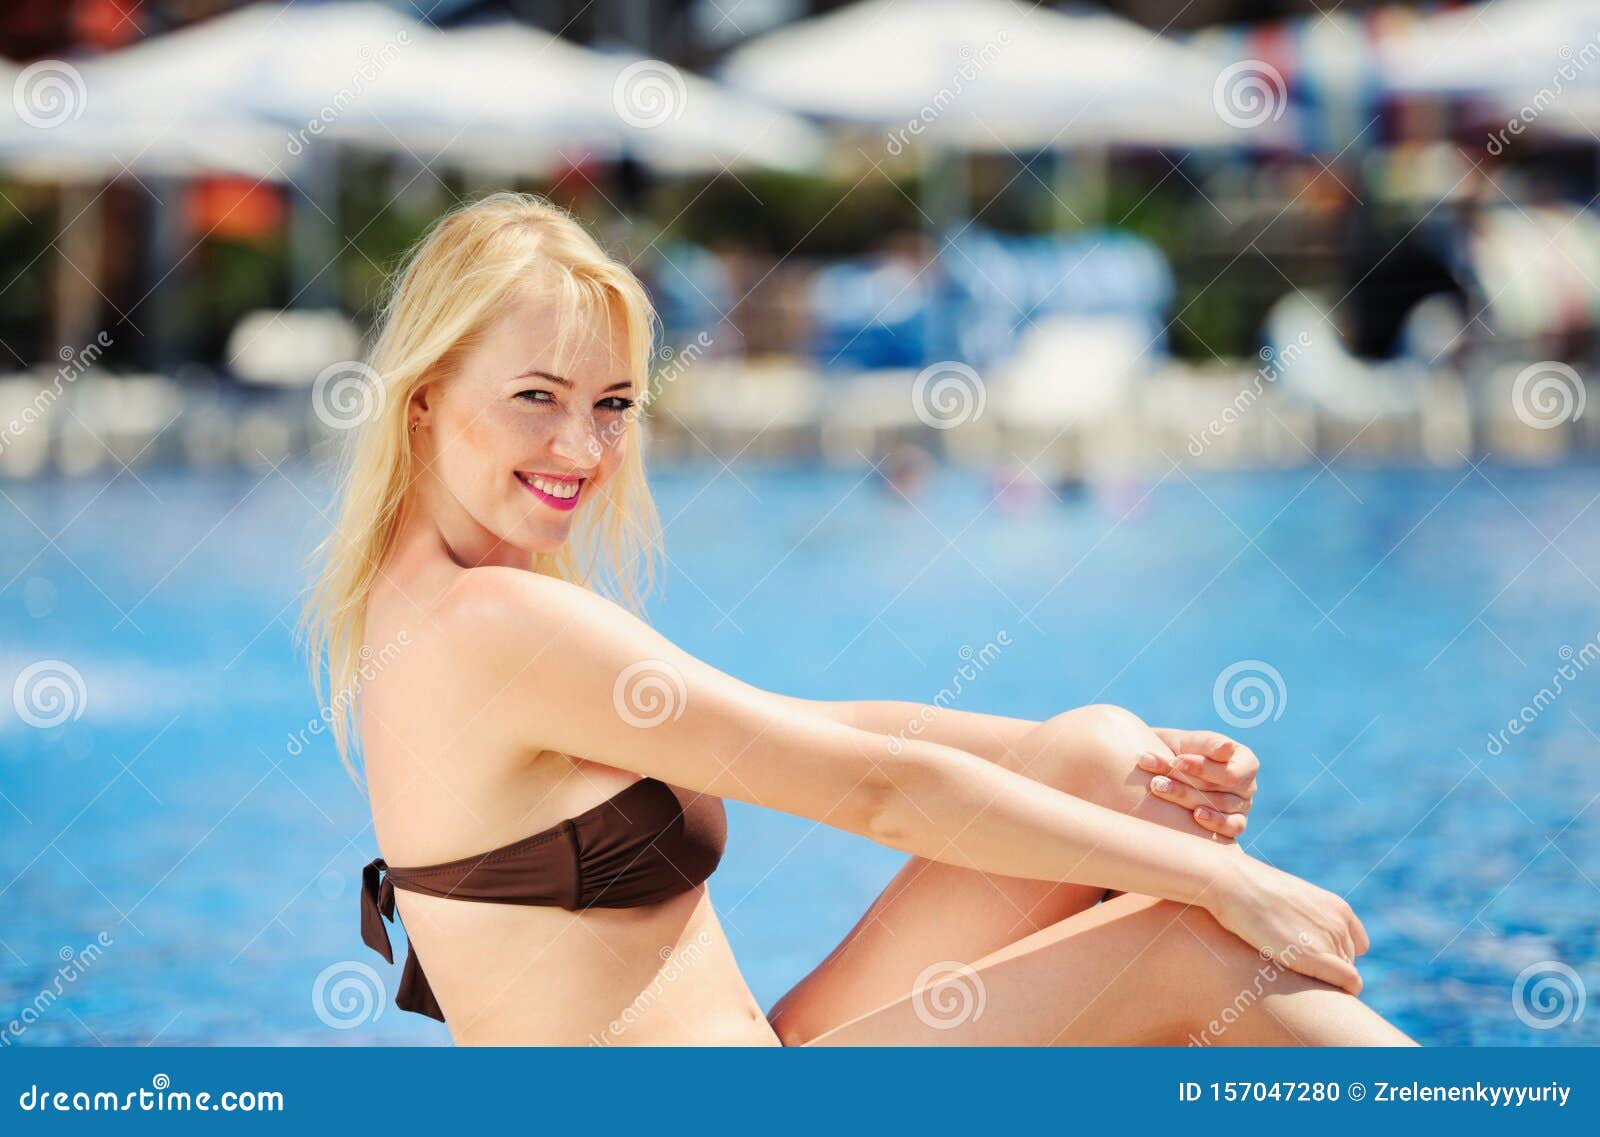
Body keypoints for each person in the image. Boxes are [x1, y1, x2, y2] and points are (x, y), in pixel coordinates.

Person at [302, 191, 1415, 1047]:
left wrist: (1139, 763)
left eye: (611, 406)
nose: (581, 451)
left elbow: (815, 724)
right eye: (536, 398)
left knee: (1104, 758)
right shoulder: (491, 618)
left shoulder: (452, 601)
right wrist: (1230, 881)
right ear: (425, 395)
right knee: (1196, 945)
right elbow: (875, 792)